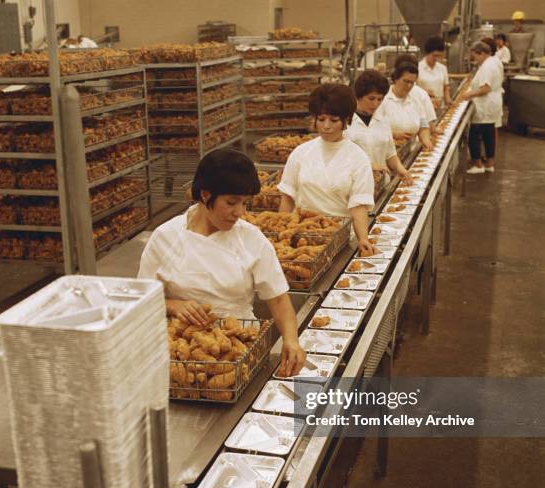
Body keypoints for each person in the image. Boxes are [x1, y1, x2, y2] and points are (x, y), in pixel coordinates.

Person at [138, 149, 305, 377]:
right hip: (180, 352)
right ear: (206, 195)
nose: (239, 213)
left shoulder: (251, 239)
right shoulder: (165, 237)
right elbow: (141, 300)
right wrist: (173, 305)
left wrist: (291, 339)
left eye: (245, 203)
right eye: (231, 202)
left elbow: (277, 298)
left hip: (241, 349)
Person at [277, 83, 376, 257]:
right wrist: (280, 234)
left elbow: (358, 206)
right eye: (321, 119)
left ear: (346, 121)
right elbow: (287, 197)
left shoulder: (357, 158)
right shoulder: (301, 153)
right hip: (302, 236)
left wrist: (363, 239)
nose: (326, 126)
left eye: (334, 120)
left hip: (339, 237)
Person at [346, 70, 413, 184]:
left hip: (381, 183)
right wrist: (369, 166)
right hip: (356, 185)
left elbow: (390, 154)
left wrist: (401, 169)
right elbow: (342, 159)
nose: (376, 104)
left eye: (380, 99)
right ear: (359, 96)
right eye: (371, 99)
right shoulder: (345, 123)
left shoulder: (383, 121)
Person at [460, 41, 503, 174]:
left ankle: (478, 165)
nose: (475, 60)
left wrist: (468, 94)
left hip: (485, 105)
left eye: (475, 56)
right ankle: (489, 164)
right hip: (493, 103)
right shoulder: (495, 61)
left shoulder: (487, 66)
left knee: (475, 135)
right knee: (489, 134)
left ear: (482, 53)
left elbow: (485, 88)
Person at [376, 61, 433, 149]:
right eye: (406, 81)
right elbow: (373, 128)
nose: (409, 86)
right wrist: (393, 134)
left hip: (411, 151)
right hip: (388, 152)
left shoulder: (415, 100)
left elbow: (423, 125)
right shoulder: (382, 100)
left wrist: (426, 139)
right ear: (396, 79)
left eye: (412, 83)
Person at [394, 54, 438, 133]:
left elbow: (426, 124)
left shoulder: (420, 95)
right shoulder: (421, 94)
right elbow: (431, 127)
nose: (408, 86)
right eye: (406, 81)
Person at [418, 36, 452, 108]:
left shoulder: (443, 68)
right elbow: (412, 89)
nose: (437, 58)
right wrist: (426, 93)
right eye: (434, 55)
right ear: (427, 53)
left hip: (440, 106)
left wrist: (448, 98)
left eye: (439, 56)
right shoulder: (417, 68)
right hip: (423, 107)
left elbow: (446, 87)